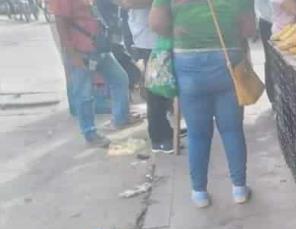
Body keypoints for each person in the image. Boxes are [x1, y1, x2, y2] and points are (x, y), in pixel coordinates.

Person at [150, 0, 256, 207]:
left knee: (197, 134)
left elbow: (156, 24)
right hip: (227, 60)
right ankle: (239, 189)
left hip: (187, 63)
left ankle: (199, 193)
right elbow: (248, 29)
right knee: (232, 130)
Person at [49, 0, 141, 147]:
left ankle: (120, 118)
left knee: (120, 78)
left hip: (97, 47)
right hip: (80, 50)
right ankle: (90, 133)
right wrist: (72, 54)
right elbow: (60, 21)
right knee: (84, 94)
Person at [118, 0, 175, 153]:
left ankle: (165, 131)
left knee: (163, 88)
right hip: (151, 39)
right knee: (158, 89)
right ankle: (160, 137)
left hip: (160, 36)